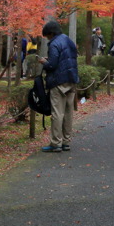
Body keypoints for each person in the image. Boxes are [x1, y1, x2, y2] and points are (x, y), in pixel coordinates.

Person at [38, 20, 79, 153]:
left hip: (58, 81)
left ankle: (56, 143)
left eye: (47, 36)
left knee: (57, 113)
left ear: (50, 33)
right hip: (71, 79)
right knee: (68, 112)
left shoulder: (54, 44)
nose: (47, 38)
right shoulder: (68, 40)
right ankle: (66, 141)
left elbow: (52, 65)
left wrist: (44, 62)